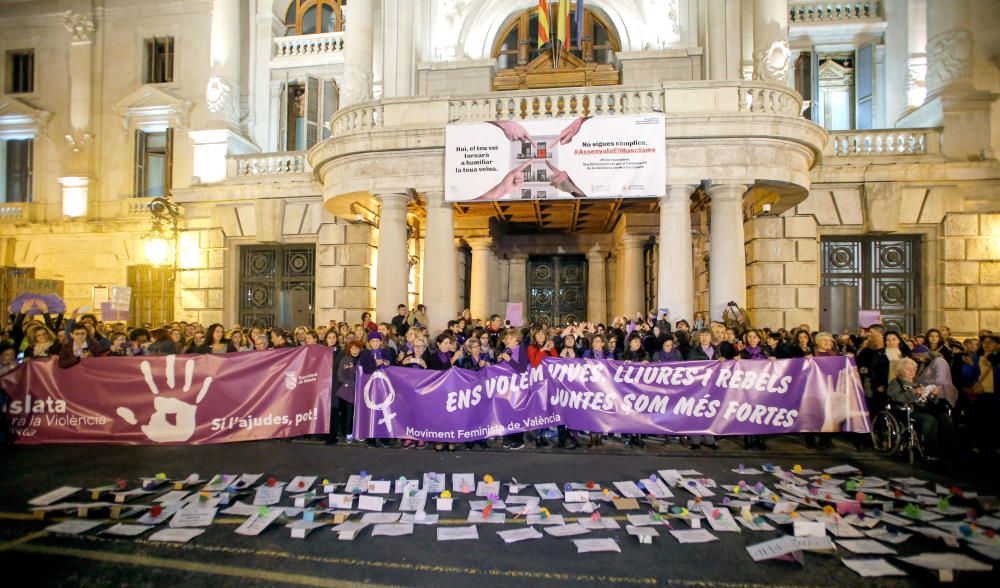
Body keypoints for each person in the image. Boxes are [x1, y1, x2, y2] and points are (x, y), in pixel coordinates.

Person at [887, 357, 955, 460]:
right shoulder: (896, 383)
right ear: (900, 370)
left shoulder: (919, 382)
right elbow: (895, 397)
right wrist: (913, 392)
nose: (912, 372)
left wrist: (933, 395)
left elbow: (931, 401)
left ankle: (949, 450)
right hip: (908, 410)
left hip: (925, 408)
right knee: (930, 420)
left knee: (945, 418)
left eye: (914, 369)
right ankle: (931, 452)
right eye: (908, 369)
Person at [685, 329, 720, 450]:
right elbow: (689, 369)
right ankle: (695, 440)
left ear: (711, 337)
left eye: (707, 335)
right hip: (698, 387)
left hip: (713, 386)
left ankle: (710, 439)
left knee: (710, 412)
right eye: (702, 335)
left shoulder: (716, 350)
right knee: (696, 412)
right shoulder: (693, 352)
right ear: (699, 338)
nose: (704, 338)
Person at [496, 329, 528, 450]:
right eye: (505, 339)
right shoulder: (506, 350)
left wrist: (509, 359)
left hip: (518, 387)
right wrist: (499, 360)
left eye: (509, 338)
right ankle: (508, 437)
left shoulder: (521, 350)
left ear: (516, 339)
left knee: (517, 412)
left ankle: (518, 439)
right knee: (506, 412)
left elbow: (522, 369)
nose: (506, 340)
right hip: (506, 387)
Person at [333, 341, 364, 445]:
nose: (355, 350)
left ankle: (359, 433)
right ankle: (348, 433)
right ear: (349, 349)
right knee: (348, 414)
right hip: (348, 392)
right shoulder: (345, 359)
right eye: (353, 348)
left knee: (360, 413)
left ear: (360, 349)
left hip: (361, 391)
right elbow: (340, 375)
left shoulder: (363, 360)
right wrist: (350, 383)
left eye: (357, 348)